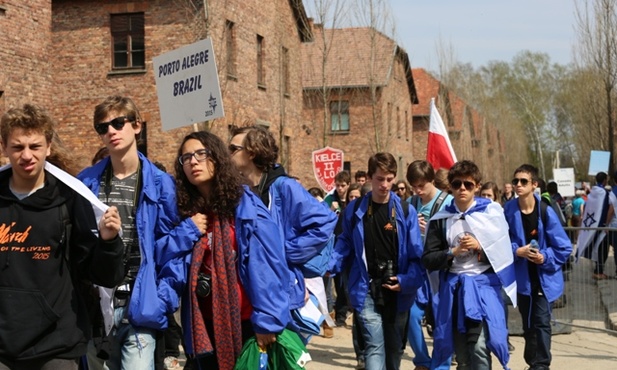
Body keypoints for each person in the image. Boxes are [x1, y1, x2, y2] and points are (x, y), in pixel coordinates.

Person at [78, 96, 203, 370]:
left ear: (136, 126)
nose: (111, 131)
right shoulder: (85, 182)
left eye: (118, 123)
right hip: (98, 309)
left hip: (142, 305)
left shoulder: (163, 185)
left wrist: (163, 299)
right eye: (103, 127)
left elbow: (176, 253)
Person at [0, 104, 125, 369]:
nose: (26, 156)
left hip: (56, 345)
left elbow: (102, 276)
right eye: (17, 147)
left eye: (34, 146)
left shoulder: (70, 199)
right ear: (4, 148)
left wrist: (108, 242)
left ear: (48, 147)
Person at [175, 131, 290, 369]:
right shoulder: (186, 212)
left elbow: (268, 264)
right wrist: (185, 232)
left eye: (200, 154)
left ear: (217, 157)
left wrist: (268, 319)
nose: (193, 161)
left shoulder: (245, 205)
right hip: (201, 324)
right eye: (186, 158)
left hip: (245, 322)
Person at [228, 125, 337, 327]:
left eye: (233, 149)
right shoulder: (241, 191)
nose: (228, 154)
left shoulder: (285, 187)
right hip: (253, 293)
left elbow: (325, 222)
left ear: (251, 153)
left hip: (283, 293)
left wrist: (285, 253)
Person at [329, 152, 424, 370]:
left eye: (390, 179)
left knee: (395, 348)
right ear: (370, 177)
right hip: (366, 288)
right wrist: (330, 265)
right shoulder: (354, 209)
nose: (385, 185)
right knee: (373, 346)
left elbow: (416, 255)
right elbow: (344, 244)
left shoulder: (406, 211)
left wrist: (406, 281)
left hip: (398, 290)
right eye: (380, 179)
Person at [423, 160, 516, 370]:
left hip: (483, 288)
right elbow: (428, 258)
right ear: (450, 187)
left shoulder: (491, 214)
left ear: (477, 186)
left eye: (468, 184)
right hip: (453, 290)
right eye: (457, 184)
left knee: (480, 347)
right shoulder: (441, 219)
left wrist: (480, 247)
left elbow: (505, 253)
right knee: (461, 353)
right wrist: (451, 253)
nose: (462, 189)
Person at [504, 164, 572, 370]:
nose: (518, 185)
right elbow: (500, 242)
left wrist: (544, 257)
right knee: (528, 325)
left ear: (534, 185)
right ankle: (533, 361)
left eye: (523, 181)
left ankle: (541, 365)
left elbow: (564, 246)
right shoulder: (508, 209)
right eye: (515, 181)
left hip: (545, 278)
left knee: (542, 323)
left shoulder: (545, 211)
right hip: (523, 280)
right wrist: (518, 251)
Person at [406, 160, 453, 370]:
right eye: (414, 186)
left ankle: (441, 364)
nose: (418, 191)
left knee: (443, 319)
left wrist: (432, 231)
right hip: (418, 269)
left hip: (442, 270)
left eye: (421, 186)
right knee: (411, 314)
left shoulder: (448, 203)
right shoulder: (410, 203)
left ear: (432, 181)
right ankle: (422, 361)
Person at [576, 172, 615, 280]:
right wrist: (605, 224)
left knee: (600, 248)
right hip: (602, 225)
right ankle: (598, 271)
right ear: (605, 180)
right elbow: (610, 208)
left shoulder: (593, 192)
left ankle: (598, 270)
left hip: (593, 224)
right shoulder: (605, 193)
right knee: (603, 249)